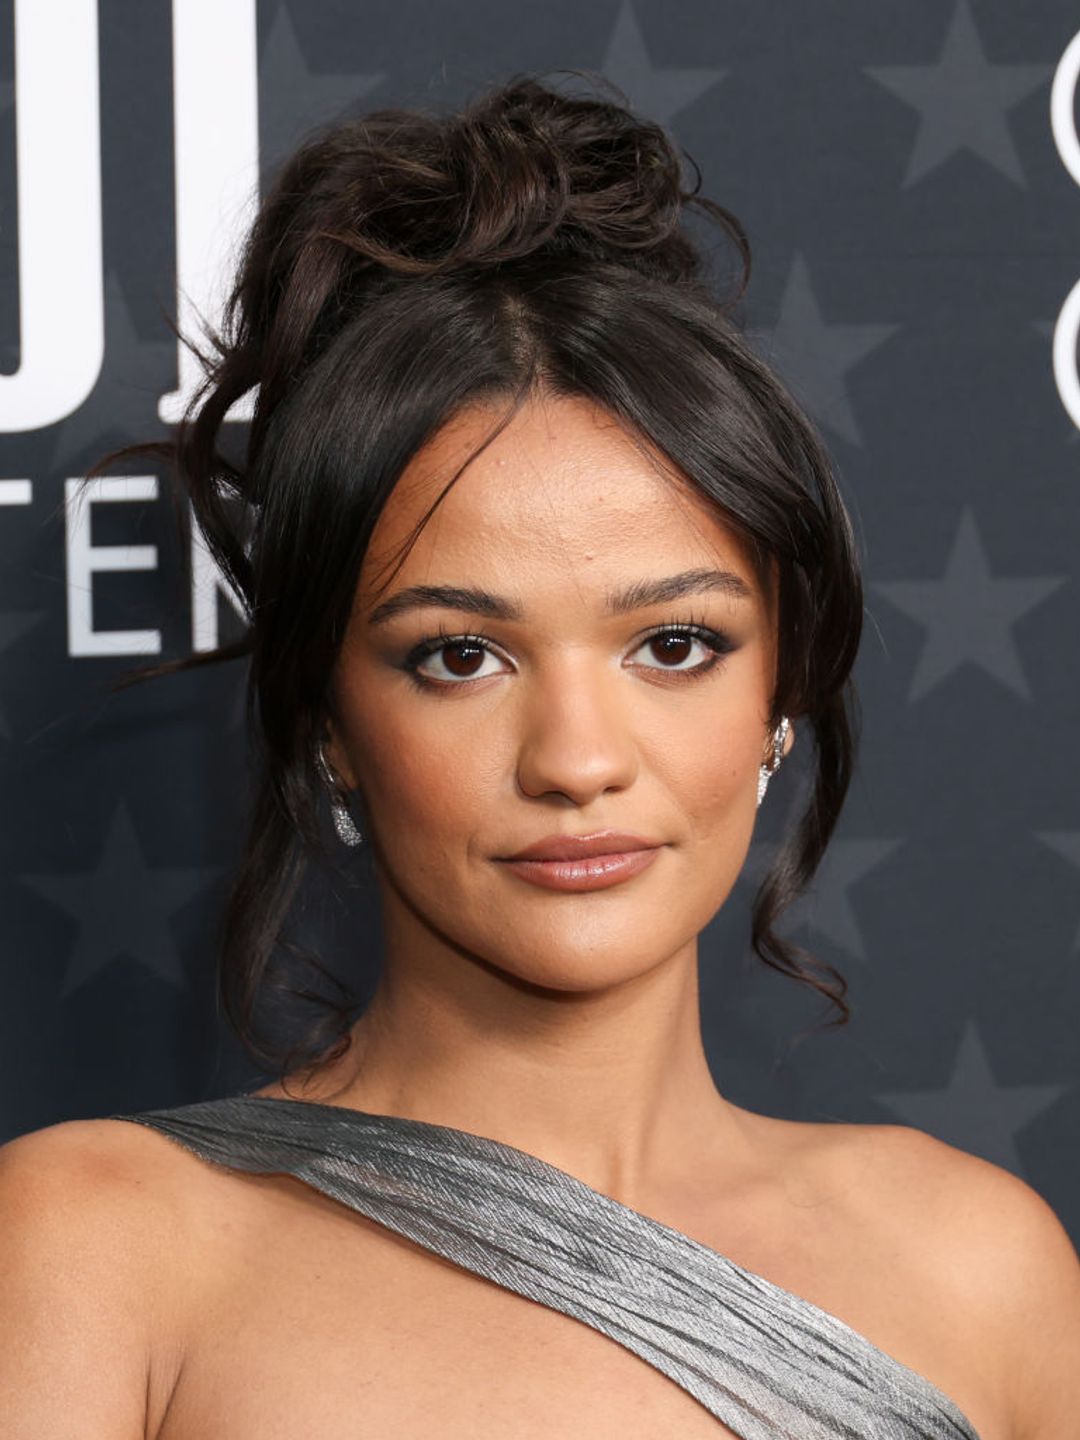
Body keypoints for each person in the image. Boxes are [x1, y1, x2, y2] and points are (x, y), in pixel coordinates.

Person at [2, 71, 1078, 1440]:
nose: (576, 759)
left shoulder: (979, 1267)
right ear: (329, 721)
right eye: (460, 655)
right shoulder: (98, 1254)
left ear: (783, 690)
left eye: (674, 646)